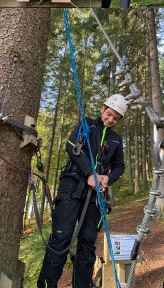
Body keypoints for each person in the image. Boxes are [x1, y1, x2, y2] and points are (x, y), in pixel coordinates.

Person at [37, 94, 127, 288]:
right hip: (72, 186)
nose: (110, 119)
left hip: (95, 196)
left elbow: (120, 166)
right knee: (62, 237)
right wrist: (89, 172)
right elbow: (72, 145)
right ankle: (46, 285)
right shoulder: (87, 125)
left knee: (87, 244)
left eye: (115, 118)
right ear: (103, 109)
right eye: (109, 114)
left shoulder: (116, 140)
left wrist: (106, 178)